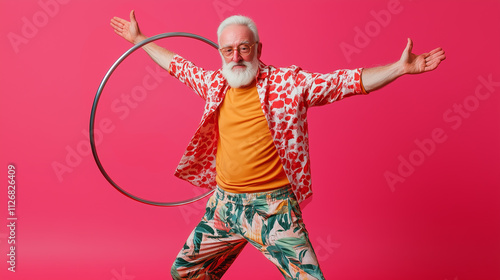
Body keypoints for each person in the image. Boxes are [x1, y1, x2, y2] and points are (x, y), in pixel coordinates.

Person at [110, 10, 445, 280]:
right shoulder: (214, 84)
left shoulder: (289, 83)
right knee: (186, 272)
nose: (236, 56)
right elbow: (178, 66)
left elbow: (346, 82)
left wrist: (399, 68)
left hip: (274, 209)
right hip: (224, 207)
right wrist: (140, 40)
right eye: (228, 49)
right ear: (221, 54)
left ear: (258, 49)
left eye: (244, 47)